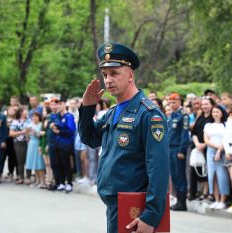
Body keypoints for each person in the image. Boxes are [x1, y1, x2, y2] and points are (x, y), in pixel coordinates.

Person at [78, 42, 169, 233]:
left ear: (130, 75)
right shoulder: (113, 112)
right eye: (105, 75)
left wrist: (151, 215)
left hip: (134, 208)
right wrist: (87, 109)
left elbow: (158, 169)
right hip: (114, 205)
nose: (108, 80)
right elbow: (90, 139)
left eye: (114, 73)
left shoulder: (149, 114)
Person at [203, 105, 230, 209]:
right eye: (213, 112)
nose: (215, 114)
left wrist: (219, 149)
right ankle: (216, 199)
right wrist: (216, 147)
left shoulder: (226, 125)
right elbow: (206, 140)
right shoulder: (208, 125)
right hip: (210, 151)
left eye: (217, 111)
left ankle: (223, 200)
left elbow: (227, 138)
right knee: (212, 176)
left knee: (222, 175)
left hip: (222, 151)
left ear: (222, 113)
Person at [167, 93, 189, 211]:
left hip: (178, 149)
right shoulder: (171, 115)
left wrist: (182, 150)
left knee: (180, 175)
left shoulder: (183, 115)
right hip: (170, 148)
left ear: (180, 102)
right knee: (174, 176)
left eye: (174, 102)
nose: (171, 104)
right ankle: (178, 201)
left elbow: (184, 134)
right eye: (170, 102)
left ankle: (182, 202)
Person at [189, 96, 214, 201]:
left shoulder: (213, 117)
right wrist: (197, 143)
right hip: (197, 146)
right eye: (203, 104)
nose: (204, 106)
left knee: (207, 170)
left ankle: (206, 192)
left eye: (206, 104)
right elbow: (193, 132)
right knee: (195, 169)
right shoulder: (200, 116)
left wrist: (204, 144)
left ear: (211, 105)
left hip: (208, 147)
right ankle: (194, 192)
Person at [52, 99, 76, 192]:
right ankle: (61, 183)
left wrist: (59, 130)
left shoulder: (69, 116)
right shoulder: (58, 116)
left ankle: (69, 183)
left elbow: (71, 131)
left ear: (64, 105)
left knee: (66, 164)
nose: (58, 106)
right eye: (57, 105)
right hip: (57, 143)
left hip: (66, 144)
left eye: (60, 104)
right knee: (58, 164)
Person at [25, 112, 46, 188]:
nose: (34, 118)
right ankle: (37, 181)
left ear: (39, 117)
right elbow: (27, 134)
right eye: (33, 117)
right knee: (33, 164)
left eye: (36, 116)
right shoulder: (30, 124)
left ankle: (43, 181)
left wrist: (35, 133)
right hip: (31, 144)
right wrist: (28, 133)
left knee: (39, 163)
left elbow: (41, 135)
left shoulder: (41, 125)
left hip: (38, 144)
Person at [9, 107, 29, 185]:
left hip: (29, 142)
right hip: (18, 142)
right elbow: (11, 134)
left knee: (28, 160)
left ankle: (28, 177)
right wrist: (22, 132)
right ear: (21, 112)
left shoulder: (29, 120)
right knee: (20, 160)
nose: (26, 112)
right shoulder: (15, 122)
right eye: (25, 110)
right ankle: (21, 177)